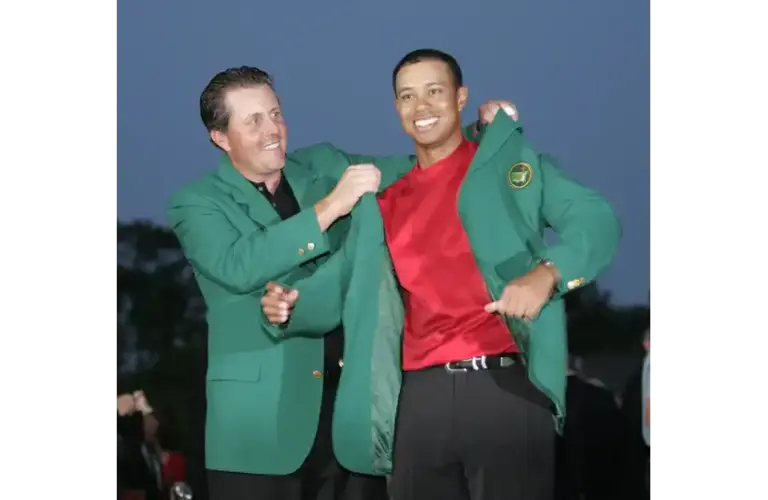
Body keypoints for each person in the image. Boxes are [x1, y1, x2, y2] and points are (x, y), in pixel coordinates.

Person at [260, 48, 621, 500]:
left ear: (461, 96)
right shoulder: (388, 199)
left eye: (435, 91)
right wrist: (292, 304)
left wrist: (548, 274)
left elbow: (597, 222)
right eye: (408, 96)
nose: (422, 107)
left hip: (505, 390)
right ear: (396, 108)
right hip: (417, 401)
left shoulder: (512, 168)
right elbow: (346, 282)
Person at [167, 65, 511, 500]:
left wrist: (478, 132)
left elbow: (417, 172)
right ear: (220, 137)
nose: (272, 129)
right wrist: (332, 206)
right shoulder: (194, 203)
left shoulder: (326, 163)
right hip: (258, 435)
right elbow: (238, 265)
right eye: (253, 120)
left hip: (349, 425)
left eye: (275, 113)